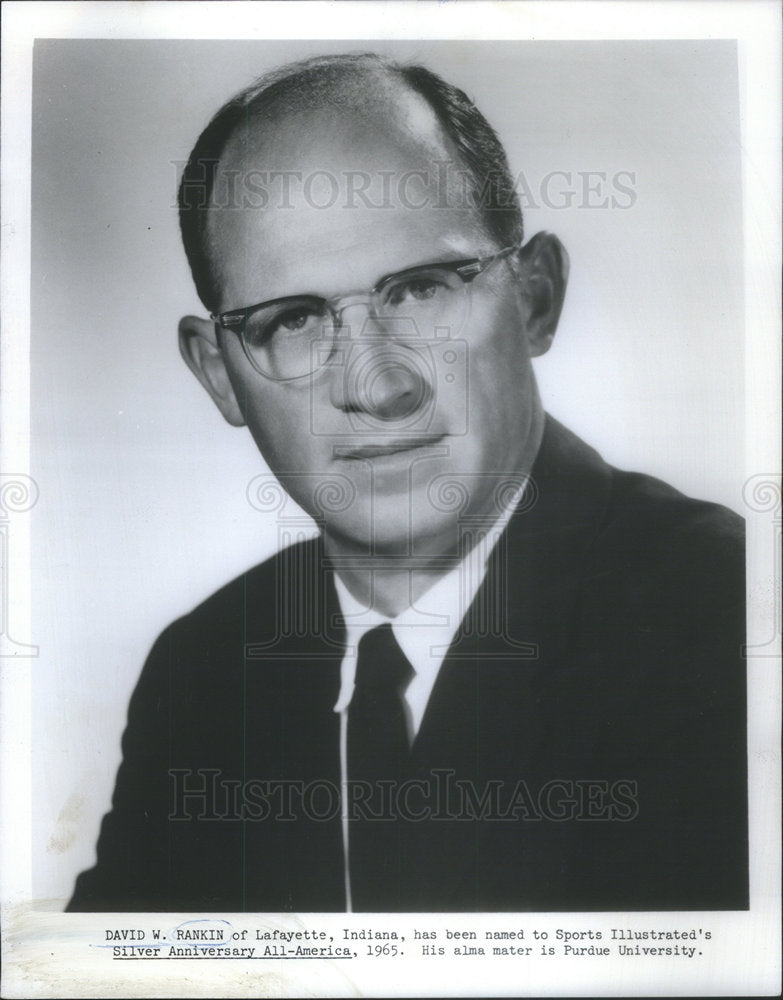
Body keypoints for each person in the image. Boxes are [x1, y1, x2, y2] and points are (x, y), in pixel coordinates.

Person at [67, 53, 747, 913]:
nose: (376, 386)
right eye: (295, 320)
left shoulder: (724, 615)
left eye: (421, 289)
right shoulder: (202, 676)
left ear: (534, 297)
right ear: (217, 374)